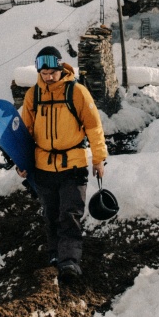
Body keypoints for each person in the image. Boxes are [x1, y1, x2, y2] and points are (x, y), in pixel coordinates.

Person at [16, 45, 106, 281]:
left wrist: (98, 159)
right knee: (51, 214)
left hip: (73, 165)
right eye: (43, 73)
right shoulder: (32, 95)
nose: (47, 76)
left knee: (70, 214)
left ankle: (69, 261)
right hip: (43, 166)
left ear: (60, 67)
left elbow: (94, 127)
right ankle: (54, 254)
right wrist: (21, 162)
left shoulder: (77, 92)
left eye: (51, 72)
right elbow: (25, 133)